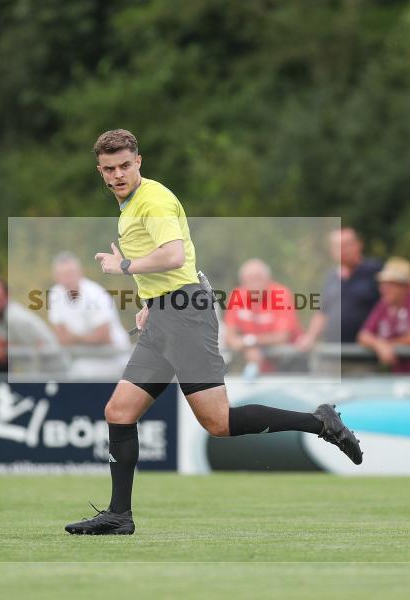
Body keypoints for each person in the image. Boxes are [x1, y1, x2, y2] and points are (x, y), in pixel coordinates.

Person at [64, 129, 361, 536]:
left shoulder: (153, 200)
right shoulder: (132, 205)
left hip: (185, 317)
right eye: (109, 169)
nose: (118, 175)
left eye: (125, 166)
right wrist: (152, 303)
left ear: (139, 162)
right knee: (119, 411)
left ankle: (321, 422)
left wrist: (127, 269)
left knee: (218, 423)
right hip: (168, 315)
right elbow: (176, 266)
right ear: (100, 171)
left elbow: (174, 255)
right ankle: (119, 515)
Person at [296, 227, 382, 371]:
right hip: (332, 355)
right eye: (338, 246)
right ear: (332, 251)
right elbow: (322, 312)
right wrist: (310, 337)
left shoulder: (374, 270)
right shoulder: (331, 277)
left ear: (359, 245)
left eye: (347, 244)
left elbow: (408, 289)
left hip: (364, 357)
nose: (343, 250)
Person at [48, 252, 130, 378]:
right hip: (85, 359)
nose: (66, 279)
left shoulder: (95, 294)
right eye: (62, 275)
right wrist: (86, 339)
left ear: (80, 273)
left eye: (70, 274)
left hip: (115, 359)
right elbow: (62, 338)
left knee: (78, 374)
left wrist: (75, 338)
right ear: (56, 276)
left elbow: (104, 338)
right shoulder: (54, 294)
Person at [224, 258, 302, 377]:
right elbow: (230, 338)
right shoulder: (237, 295)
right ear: (242, 282)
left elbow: (282, 336)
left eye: (258, 278)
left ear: (268, 279)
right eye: (249, 279)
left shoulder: (281, 294)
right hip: (254, 366)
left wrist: (249, 342)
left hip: (287, 363)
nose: (255, 283)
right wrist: (247, 348)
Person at [0, 276, 63, 373]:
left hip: (53, 371)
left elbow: (34, 346)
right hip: (33, 369)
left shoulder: (14, 317)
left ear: (8, 295)